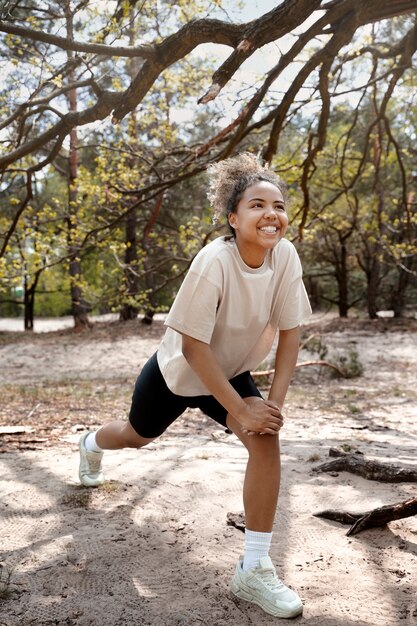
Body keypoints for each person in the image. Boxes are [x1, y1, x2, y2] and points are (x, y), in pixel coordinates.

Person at [78, 152, 311, 619]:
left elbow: (292, 331)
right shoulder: (214, 260)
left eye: (280, 206)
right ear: (233, 217)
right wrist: (240, 408)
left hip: (231, 370)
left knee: (266, 440)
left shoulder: (284, 256)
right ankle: (90, 443)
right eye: (257, 205)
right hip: (179, 372)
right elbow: (192, 348)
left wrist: (272, 406)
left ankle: (254, 567)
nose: (272, 214)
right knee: (134, 436)